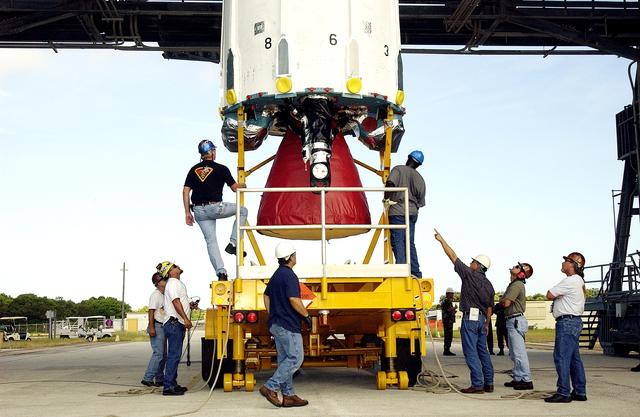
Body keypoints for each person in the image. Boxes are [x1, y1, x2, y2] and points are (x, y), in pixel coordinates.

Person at [434, 229, 495, 393]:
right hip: (482, 321)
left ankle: (477, 384)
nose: (470, 264)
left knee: (471, 352)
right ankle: (489, 383)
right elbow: (490, 306)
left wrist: (441, 240)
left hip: (471, 319)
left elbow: (453, 256)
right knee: (483, 352)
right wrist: (487, 324)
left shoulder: (469, 274)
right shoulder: (489, 285)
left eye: (473, 262)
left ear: (478, 266)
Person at [183, 139, 248, 281]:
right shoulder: (222, 169)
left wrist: (187, 213)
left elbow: (185, 191)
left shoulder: (194, 169)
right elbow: (235, 188)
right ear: (212, 152)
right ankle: (233, 243)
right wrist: (243, 185)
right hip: (215, 207)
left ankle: (221, 272)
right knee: (243, 211)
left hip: (199, 211)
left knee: (211, 242)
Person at [259, 242, 311, 408]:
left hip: (276, 323)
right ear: (290, 257)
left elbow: (265, 296)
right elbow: (294, 299)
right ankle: (270, 387)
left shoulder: (276, 275)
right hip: (288, 324)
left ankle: (288, 396)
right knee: (296, 358)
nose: (296, 257)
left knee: (285, 361)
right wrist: (306, 315)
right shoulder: (289, 275)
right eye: (294, 254)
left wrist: (272, 312)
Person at [544, 252, 587, 403]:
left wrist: (557, 296)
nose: (563, 263)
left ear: (573, 265)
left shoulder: (570, 281)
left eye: (566, 261)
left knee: (561, 357)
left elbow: (549, 294)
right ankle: (580, 391)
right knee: (575, 359)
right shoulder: (579, 281)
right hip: (574, 322)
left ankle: (563, 392)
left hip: (566, 322)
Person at [157, 261, 197, 396]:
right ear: (170, 271)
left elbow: (178, 301)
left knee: (175, 355)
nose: (177, 266)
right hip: (175, 323)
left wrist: (189, 306)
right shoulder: (173, 283)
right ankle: (168, 387)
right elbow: (175, 301)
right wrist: (185, 318)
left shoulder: (175, 283)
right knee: (174, 356)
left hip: (175, 323)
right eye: (174, 266)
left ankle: (172, 384)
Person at [384, 150, 426, 278]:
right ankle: (415, 271)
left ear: (408, 157)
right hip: (412, 212)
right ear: (419, 164)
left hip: (398, 210)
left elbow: (390, 183)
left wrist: (386, 198)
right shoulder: (420, 179)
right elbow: (421, 202)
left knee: (398, 241)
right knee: (409, 242)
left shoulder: (399, 169)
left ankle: (401, 270)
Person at [500, 262, 534, 390]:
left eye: (518, 267)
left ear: (521, 273)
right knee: (514, 353)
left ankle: (526, 379)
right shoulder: (514, 285)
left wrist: (501, 304)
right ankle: (518, 377)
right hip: (512, 320)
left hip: (515, 320)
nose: (514, 266)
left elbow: (506, 302)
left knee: (519, 352)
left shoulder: (516, 285)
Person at [141, 272, 167, 387]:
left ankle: (159, 379)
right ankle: (148, 378)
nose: (166, 281)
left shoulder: (164, 295)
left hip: (163, 326)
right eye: (164, 279)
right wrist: (151, 327)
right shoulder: (155, 295)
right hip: (156, 325)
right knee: (158, 354)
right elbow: (151, 311)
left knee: (163, 355)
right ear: (158, 283)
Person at [441, 288, 457, 356]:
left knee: (449, 336)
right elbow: (448, 310)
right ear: (448, 294)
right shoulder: (446, 301)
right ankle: (446, 350)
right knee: (448, 336)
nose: (453, 295)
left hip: (448, 321)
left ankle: (447, 349)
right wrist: (454, 308)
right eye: (452, 293)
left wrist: (453, 311)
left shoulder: (448, 301)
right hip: (447, 321)